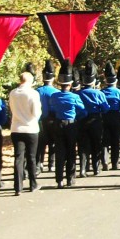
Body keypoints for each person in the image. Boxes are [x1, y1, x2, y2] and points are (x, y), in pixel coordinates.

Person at [48, 60, 87, 188]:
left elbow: (52, 110)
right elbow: (83, 111)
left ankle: (59, 180)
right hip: (71, 124)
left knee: (59, 151)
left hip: (58, 124)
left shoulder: (54, 96)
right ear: (70, 84)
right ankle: (70, 179)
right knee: (71, 151)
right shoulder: (74, 97)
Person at [8, 70, 42, 194]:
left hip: (16, 128)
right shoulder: (33, 94)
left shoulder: (13, 93)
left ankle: (18, 186)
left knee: (19, 157)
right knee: (31, 157)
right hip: (31, 128)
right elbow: (36, 113)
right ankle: (33, 183)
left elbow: (11, 108)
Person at [35, 60, 59, 172]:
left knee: (41, 143)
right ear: (53, 77)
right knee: (53, 143)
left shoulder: (36, 91)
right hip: (53, 120)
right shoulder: (56, 92)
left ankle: (39, 162)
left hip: (39, 120)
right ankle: (52, 163)